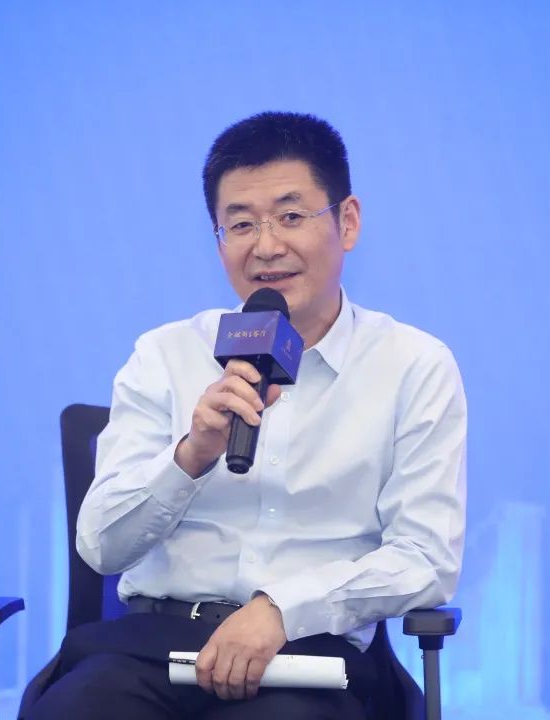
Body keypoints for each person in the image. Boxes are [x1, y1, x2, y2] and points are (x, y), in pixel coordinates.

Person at [28, 111, 467, 720]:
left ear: (347, 222)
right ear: (219, 240)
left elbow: (425, 557)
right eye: (240, 224)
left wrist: (282, 610)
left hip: (310, 657)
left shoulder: (413, 365)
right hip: (152, 649)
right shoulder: (165, 355)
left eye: (291, 216)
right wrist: (191, 456)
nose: (266, 246)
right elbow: (101, 548)